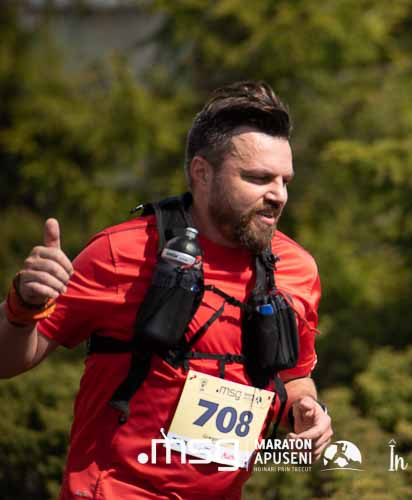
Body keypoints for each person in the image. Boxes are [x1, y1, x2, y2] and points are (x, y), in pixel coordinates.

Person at [0, 81, 333, 499]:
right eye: (258, 178)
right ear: (202, 173)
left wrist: (307, 410)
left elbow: (293, 375)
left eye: (285, 181)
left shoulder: (297, 269)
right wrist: (23, 306)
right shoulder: (120, 252)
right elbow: (8, 362)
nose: (278, 196)